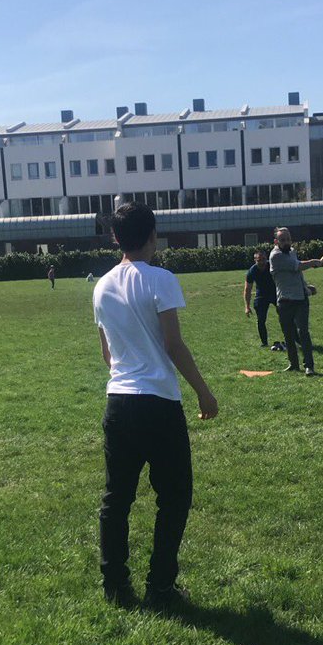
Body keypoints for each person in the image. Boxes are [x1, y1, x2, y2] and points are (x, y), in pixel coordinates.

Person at [93, 201, 218, 608]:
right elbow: (173, 344)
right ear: (153, 236)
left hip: (119, 403)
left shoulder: (101, 286)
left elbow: (107, 357)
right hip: (159, 403)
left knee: (117, 498)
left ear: (115, 237)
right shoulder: (161, 279)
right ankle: (160, 585)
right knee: (175, 496)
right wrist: (203, 390)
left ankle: (115, 586)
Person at [269, 228, 323, 374]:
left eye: (288, 239)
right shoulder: (275, 256)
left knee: (303, 333)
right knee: (289, 335)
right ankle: (293, 365)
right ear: (276, 242)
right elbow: (298, 266)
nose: (286, 242)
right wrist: (313, 262)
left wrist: (306, 288)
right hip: (284, 301)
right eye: (282, 240)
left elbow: (297, 273)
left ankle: (308, 366)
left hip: (300, 300)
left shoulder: (291, 251)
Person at [244, 249, 278, 347]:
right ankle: (264, 343)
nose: (262, 262)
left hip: (275, 292)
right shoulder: (252, 271)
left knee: (285, 316)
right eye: (259, 260)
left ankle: (295, 340)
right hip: (261, 295)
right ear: (255, 260)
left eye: (264, 259)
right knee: (261, 320)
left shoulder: (272, 266)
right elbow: (247, 289)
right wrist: (247, 306)